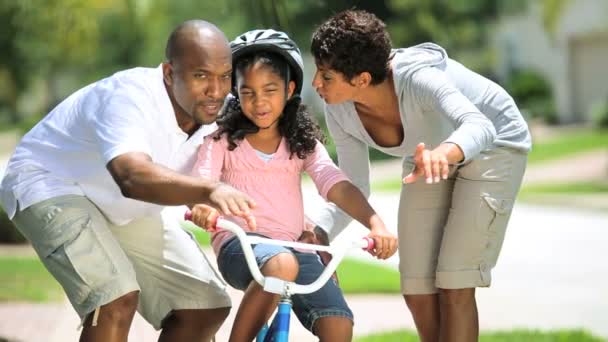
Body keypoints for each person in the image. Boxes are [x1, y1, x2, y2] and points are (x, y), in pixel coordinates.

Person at [0, 20, 257, 342]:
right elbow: (131, 175)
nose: (216, 90)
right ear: (168, 73)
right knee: (114, 300)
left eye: (223, 77)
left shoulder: (222, 109)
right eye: (200, 76)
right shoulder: (129, 95)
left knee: (204, 306)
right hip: (50, 183)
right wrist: (209, 190)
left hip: (122, 204)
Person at [308, 10, 532, 342]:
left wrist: (445, 152)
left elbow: (479, 125)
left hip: (494, 145)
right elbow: (354, 184)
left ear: (362, 79)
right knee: (416, 287)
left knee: (454, 282)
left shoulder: (419, 79)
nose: (316, 83)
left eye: (326, 76)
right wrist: (319, 231)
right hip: (429, 158)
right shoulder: (339, 108)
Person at [188, 29, 398, 342]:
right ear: (236, 92)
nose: (259, 102)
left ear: (289, 90)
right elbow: (200, 185)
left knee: (338, 324)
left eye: (270, 90)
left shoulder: (303, 144)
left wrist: (376, 224)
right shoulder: (221, 141)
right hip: (241, 247)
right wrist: (203, 208)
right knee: (282, 265)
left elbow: (336, 184)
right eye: (248, 92)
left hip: (296, 247)